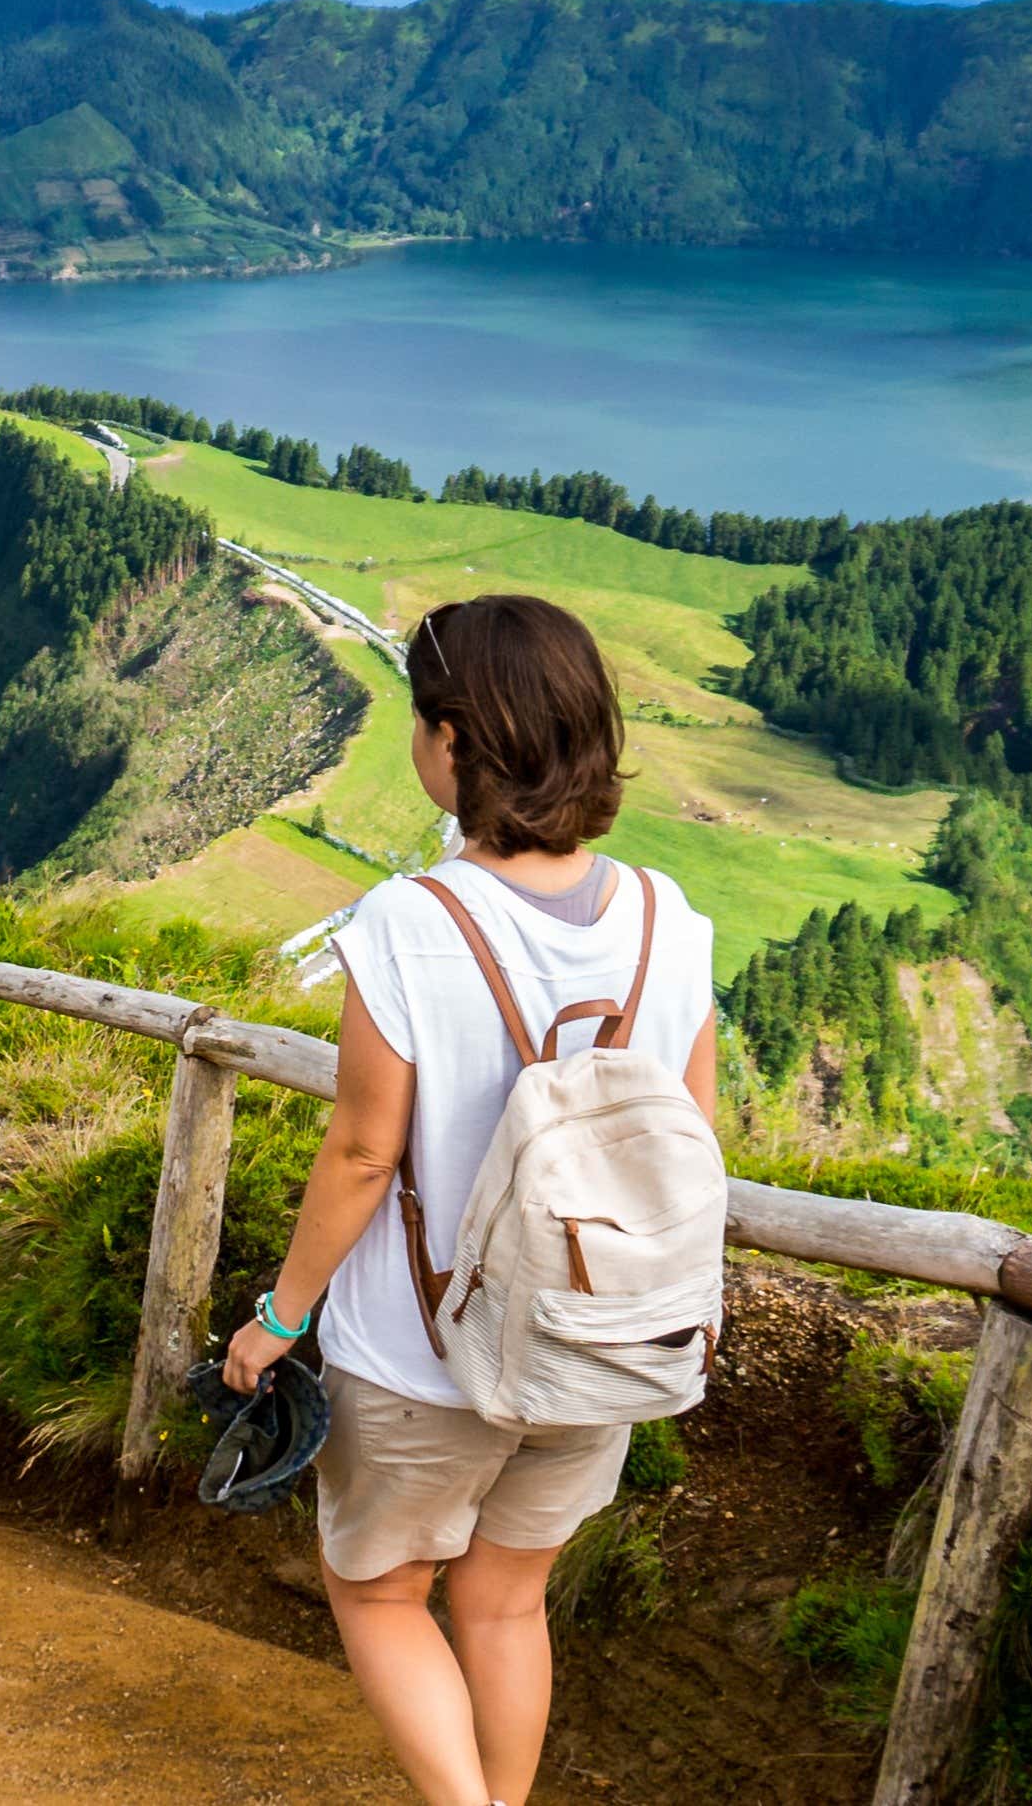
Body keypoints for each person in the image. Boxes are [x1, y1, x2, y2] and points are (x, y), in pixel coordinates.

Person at [224, 594, 716, 1806]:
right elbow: (695, 1143)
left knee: (381, 1591)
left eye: (417, 719)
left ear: (456, 740)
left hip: (420, 1354)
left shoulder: (410, 922)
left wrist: (279, 1320)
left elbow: (359, 1152)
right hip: (601, 1339)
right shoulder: (670, 920)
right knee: (505, 1601)